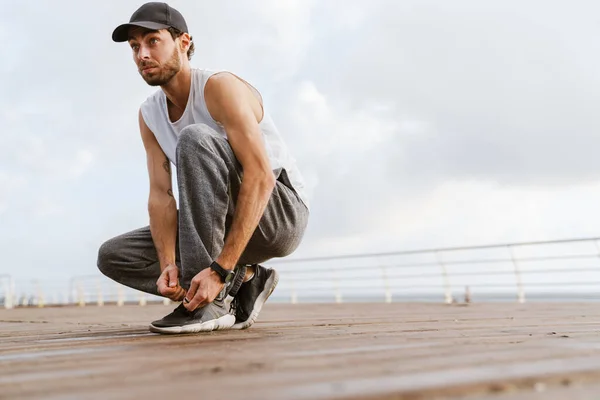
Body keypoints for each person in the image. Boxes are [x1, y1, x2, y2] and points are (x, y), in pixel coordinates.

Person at [97, 2, 310, 334]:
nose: (142, 54)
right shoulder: (149, 115)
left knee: (195, 137)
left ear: (183, 42)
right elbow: (161, 196)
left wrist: (218, 270)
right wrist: (168, 263)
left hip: (278, 213)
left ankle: (212, 300)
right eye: (135, 46)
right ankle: (248, 279)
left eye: (153, 41)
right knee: (114, 255)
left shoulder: (219, 88)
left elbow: (260, 176)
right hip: (216, 226)